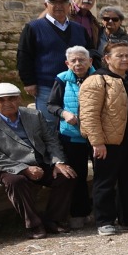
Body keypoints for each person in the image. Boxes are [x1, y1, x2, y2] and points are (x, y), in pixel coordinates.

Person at [0, 82, 75, 238]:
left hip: (40, 162)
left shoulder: (34, 115)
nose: (7, 103)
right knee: (16, 181)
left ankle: (54, 220)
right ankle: (34, 224)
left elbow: (51, 140)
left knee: (66, 176)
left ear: (19, 99)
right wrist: (23, 169)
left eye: (11, 98)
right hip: (8, 166)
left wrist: (58, 162)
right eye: (1, 100)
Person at [80, 38, 128, 236]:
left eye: (127, 56)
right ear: (107, 58)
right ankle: (105, 220)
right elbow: (89, 114)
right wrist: (97, 141)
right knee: (105, 182)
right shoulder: (96, 81)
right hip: (107, 142)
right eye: (120, 56)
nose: (125, 59)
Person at [44, 46, 95, 227]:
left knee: (103, 175)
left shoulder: (99, 78)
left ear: (90, 62)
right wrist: (64, 113)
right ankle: (79, 214)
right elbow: (51, 104)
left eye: (81, 60)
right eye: (73, 60)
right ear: (67, 63)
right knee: (77, 176)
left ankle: (103, 213)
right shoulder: (62, 79)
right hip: (71, 135)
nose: (77, 63)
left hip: (97, 136)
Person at [16, 0, 82, 116]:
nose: (58, 6)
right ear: (46, 5)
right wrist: (29, 82)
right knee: (48, 125)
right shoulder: (33, 28)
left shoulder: (79, 29)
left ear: (69, 5)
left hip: (75, 85)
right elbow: (24, 55)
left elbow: (89, 52)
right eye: (54, 3)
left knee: (74, 122)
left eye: (62, 3)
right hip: (46, 86)